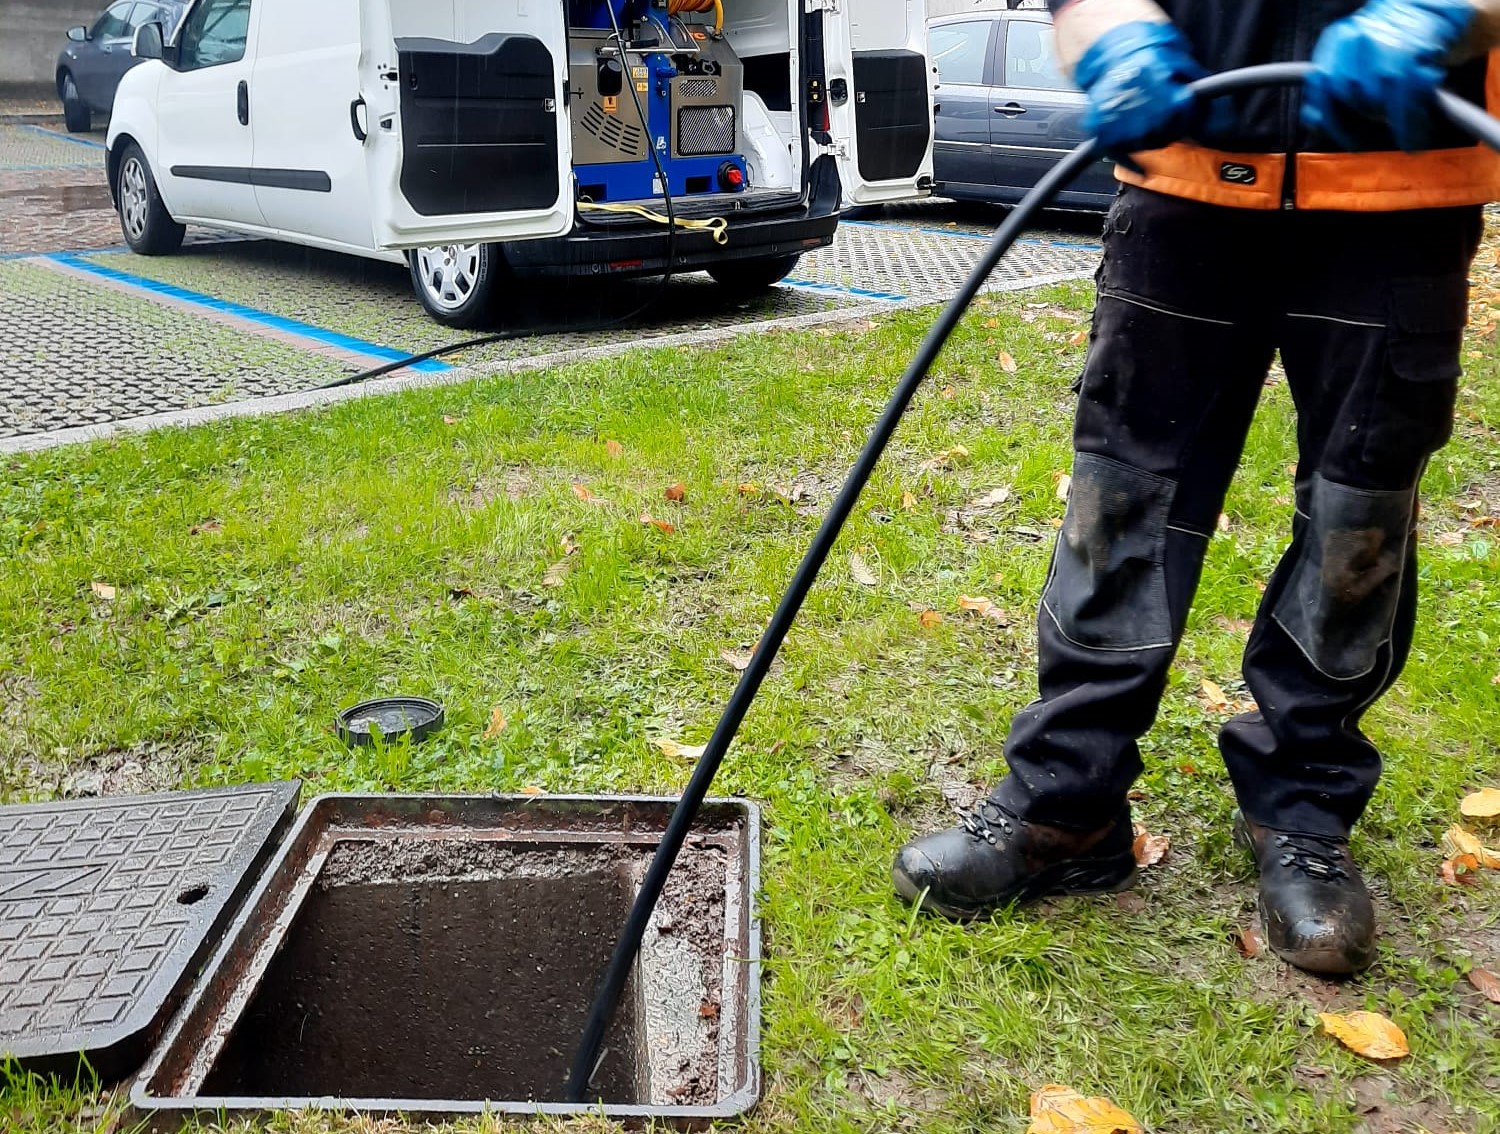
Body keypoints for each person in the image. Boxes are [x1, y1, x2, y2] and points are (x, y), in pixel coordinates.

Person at [892, 0, 1500, 975]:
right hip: (1185, 176)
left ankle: (1302, 806)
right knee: (1119, 502)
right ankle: (1068, 804)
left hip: (1404, 185)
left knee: (1361, 519)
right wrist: (1114, 28)